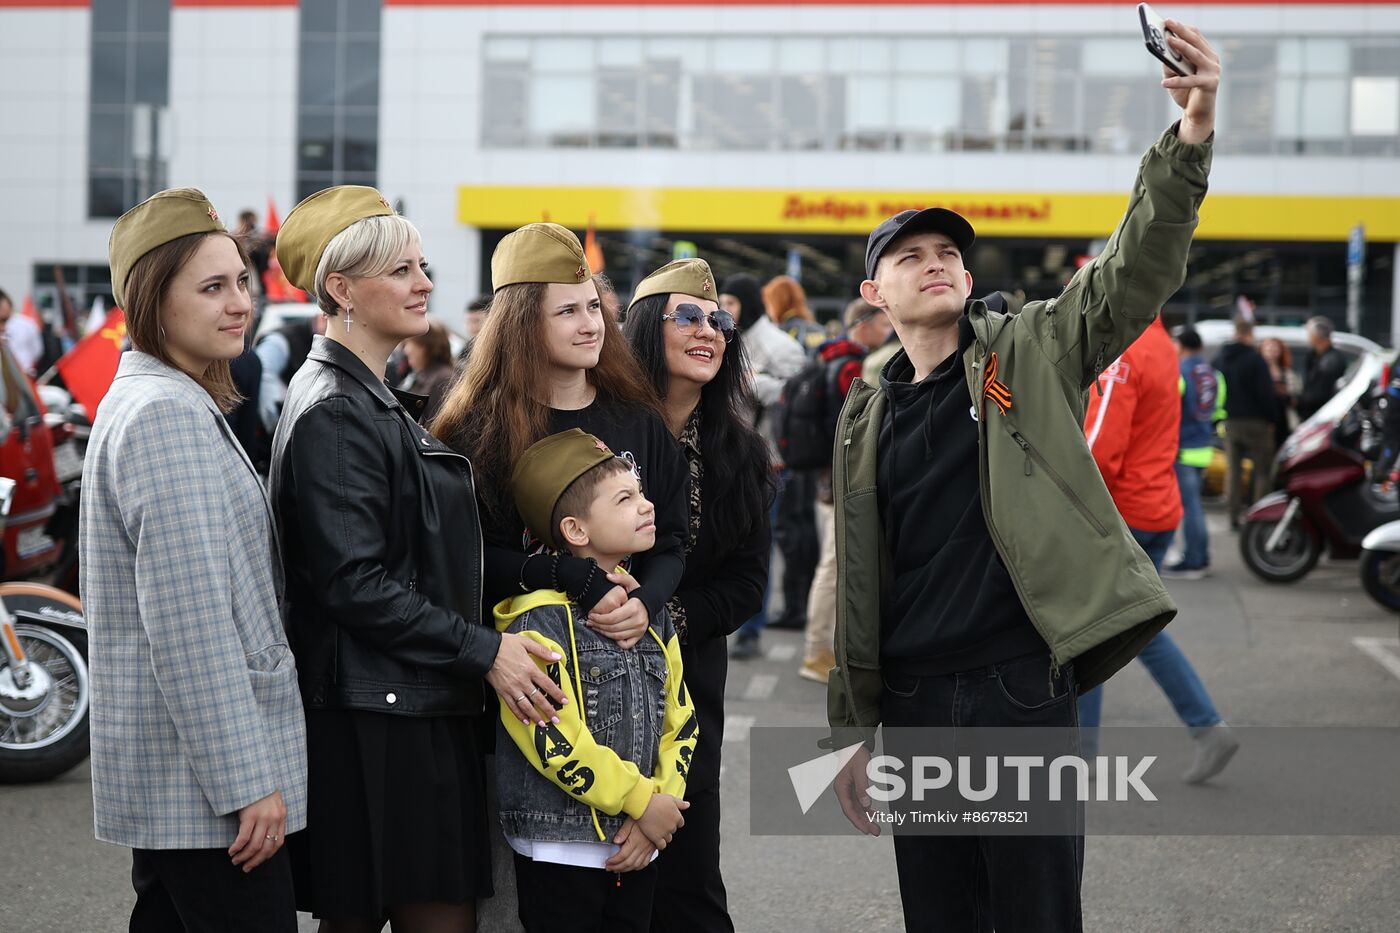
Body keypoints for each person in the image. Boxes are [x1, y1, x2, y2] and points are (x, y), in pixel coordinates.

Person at [829, 23, 1219, 931]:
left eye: (950, 254)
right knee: (939, 913)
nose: (939, 264)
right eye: (911, 256)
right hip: (918, 703)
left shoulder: (1032, 348)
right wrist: (854, 731)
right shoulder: (863, 410)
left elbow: (1135, 268)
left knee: (1037, 912)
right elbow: (857, 580)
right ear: (873, 294)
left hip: (1019, 688)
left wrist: (1191, 136)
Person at [271, 186, 567, 931]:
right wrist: (487, 651)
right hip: (383, 721)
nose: (425, 282)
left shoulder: (360, 397)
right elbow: (355, 582)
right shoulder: (336, 406)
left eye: (422, 265)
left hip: (400, 706)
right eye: (401, 270)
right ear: (341, 288)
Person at [432, 223, 689, 931]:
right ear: (520, 323)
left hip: (638, 701)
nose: (590, 323)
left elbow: (671, 542)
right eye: (567, 309)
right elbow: (465, 558)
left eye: (594, 305)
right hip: (525, 703)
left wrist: (650, 603)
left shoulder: (638, 419)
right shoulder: (474, 427)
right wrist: (570, 575)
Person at [80, 188, 307, 932]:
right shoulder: (164, 415)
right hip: (209, 798)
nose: (240, 302)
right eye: (212, 287)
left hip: (186, 788)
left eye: (241, 281)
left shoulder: (163, 399)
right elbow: (190, 623)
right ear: (151, 301)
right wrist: (247, 782)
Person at [495, 429, 697, 933]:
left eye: (642, 492)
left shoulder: (649, 611)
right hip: (560, 846)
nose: (647, 506)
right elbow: (550, 735)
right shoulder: (537, 619)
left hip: (639, 840)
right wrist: (642, 802)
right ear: (576, 530)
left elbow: (681, 719)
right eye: (626, 498)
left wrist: (660, 807)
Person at [625, 259, 773, 933]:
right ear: (644, 330)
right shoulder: (599, 430)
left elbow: (747, 582)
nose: (707, 329)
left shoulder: (739, 452)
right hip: (583, 702)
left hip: (688, 703)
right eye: (686, 315)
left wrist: (667, 617)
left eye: (718, 320)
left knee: (691, 900)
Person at [1079, 317, 1240, 782]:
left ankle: (1081, 753)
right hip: (1156, 504)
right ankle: (1207, 728)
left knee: (1088, 634)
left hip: (1120, 511)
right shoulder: (1162, 343)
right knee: (1132, 628)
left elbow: (1099, 446)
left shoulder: (1122, 348)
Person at [799, 298, 892, 683]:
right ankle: (817, 652)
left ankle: (824, 649)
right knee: (835, 565)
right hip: (844, 481)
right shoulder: (854, 366)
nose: (889, 330)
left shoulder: (830, 358)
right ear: (863, 324)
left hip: (829, 478)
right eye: (883, 323)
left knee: (837, 563)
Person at [717, 273, 805, 660]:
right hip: (721, 452)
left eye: (732, 302)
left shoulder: (779, 345)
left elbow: (797, 393)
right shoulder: (718, 333)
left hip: (765, 459)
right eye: (723, 301)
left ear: (748, 304)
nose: (725, 309)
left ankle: (751, 629)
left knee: (756, 546)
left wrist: (755, 383)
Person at [1163, 326, 1219, 579]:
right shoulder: (1212, 373)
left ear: (1181, 345)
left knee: (1190, 507)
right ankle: (1201, 556)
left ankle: (1195, 560)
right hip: (1204, 447)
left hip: (1184, 448)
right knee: (1195, 505)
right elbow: (1218, 410)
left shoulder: (1181, 373)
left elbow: (1170, 409)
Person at [1213, 317, 1278, 528]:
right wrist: (1272, 418)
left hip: (1230, 421)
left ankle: (1232, 517)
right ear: (1250, 334)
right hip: (1256, 422)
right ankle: (1257, 518)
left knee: (1233, 471)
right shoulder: (1255, 359)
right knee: (1262, 471)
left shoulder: (1220, 359)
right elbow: (1266, 394)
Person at [400, 318, 455, 425]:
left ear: (426, 346)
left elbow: (438, 426)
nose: (406, 350)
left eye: (410, 343)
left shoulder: (443, 379)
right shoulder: (422, 374)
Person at [1298, 315, 1348, 421]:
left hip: (1322, 416)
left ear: (1317, 336)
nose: (1308, 337)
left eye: (1310, 334)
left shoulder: (1332, 360)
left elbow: (1320, 393)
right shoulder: (1313, 356)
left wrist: (1302, 401)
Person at [762, 274, 824, 356]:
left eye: (769, 303)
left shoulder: (781, 331)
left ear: (778, 303)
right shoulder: (818, 329)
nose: (768, 310)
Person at [1259, 336, 1299, 450]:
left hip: (1284, 419)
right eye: (1268, 348)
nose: (1272, 352)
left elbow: (1296, 397)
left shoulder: (1288, 373)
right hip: (1265, 420)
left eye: (1275, 348)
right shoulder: (1258, 373)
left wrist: (1287, 393)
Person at [0, 287, 44, 375]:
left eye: (2, 303)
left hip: (24, 373)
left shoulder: (26, 324)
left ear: (8, 302)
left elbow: (37, 350)